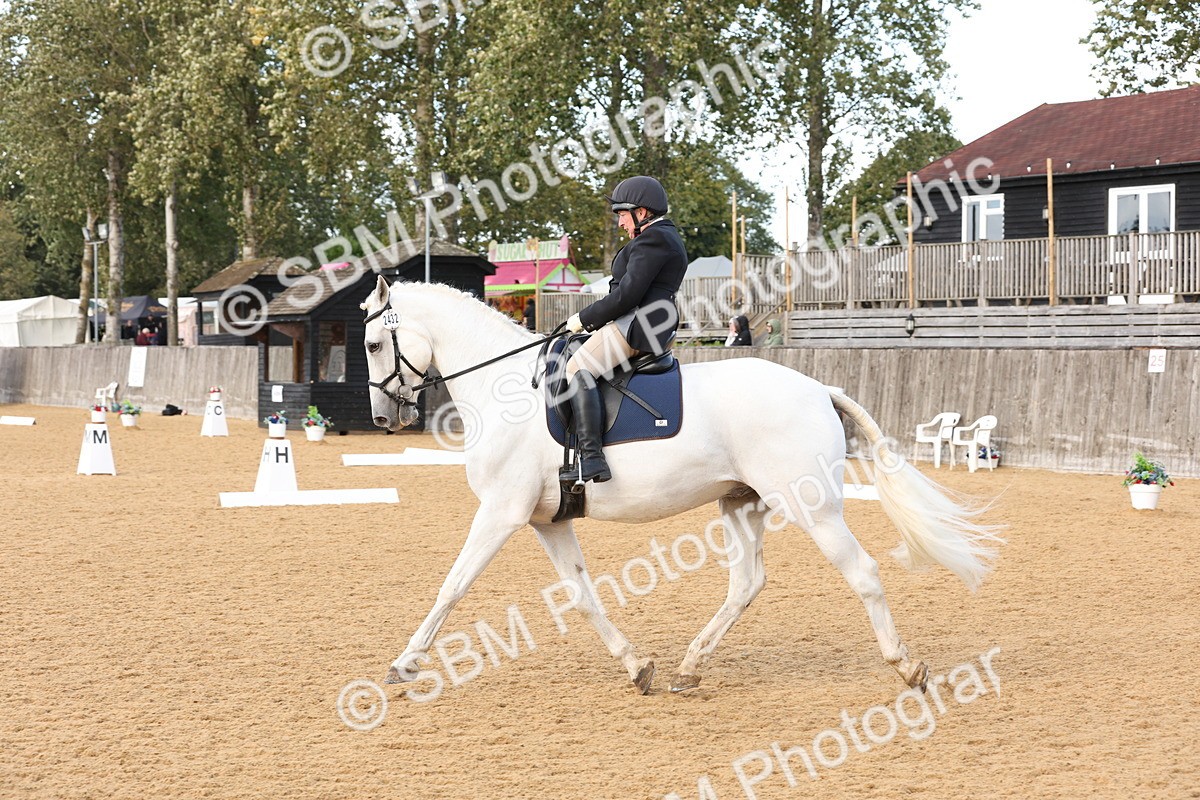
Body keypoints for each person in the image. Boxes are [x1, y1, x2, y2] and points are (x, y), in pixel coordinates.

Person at [561, 176, 688, 484]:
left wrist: (584, 318)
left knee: (578, 366)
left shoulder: (654, 239)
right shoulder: (656, 237)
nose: (619, 222)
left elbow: (627, 295)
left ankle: (591, 458)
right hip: (643, 320)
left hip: (639, 324)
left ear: (641, 212)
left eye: (621, 213)